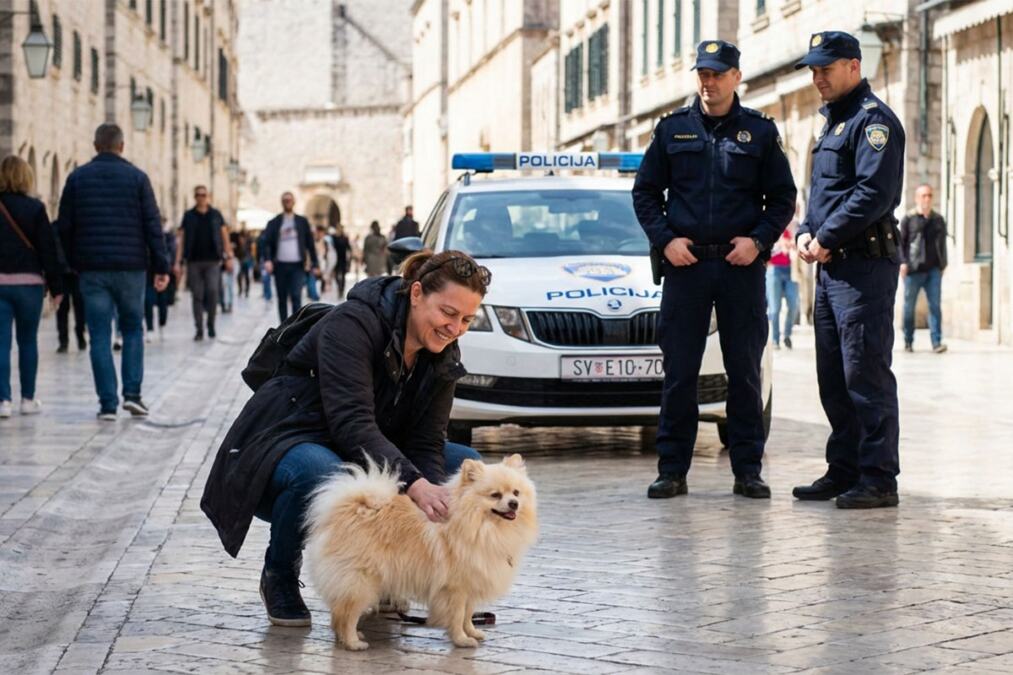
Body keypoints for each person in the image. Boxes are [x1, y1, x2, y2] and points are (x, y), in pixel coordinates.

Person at [200, 250, 491, 627]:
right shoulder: (353, 323)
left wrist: (434, 494)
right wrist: (415, 484)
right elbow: (351, 423)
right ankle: (280, 572)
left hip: (365, 446)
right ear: (416, 293)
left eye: (467, 319)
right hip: (289, 441)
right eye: (448, 313)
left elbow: (428, 440)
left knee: (464, 467)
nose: (455, 328)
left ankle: (396, 574)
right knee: (327, 474)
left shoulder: (444, 350)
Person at [633, 40, 797, 501]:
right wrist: (666, 240)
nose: (709, 82)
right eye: (703, 73)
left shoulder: (760, 132)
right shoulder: (671, 130)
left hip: (738, 266)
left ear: (735, 77)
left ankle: (748, 470)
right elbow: (645, 194)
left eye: (718, 74)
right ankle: (672, 470)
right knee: (680, 373)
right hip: (685, 268)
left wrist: (759, 240)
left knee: (743, 371)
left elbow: (783, 198)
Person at [791, 32, 906, 509]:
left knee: (866, 374)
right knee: (833, 377)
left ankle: (878, 478)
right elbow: (823, 195)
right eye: (814, 70)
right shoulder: (832, 124)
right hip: (832, 271)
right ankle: (844, 469)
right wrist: (804, 229)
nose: (818, 77)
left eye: (827, 69)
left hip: (863, 269)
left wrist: (825, 236)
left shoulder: (873, 122)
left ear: (853, 67)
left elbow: (872, 193)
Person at [57, 124, 170, 420]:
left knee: (98, 335)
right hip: (131, 268)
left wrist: (69, 266)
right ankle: (132, 395)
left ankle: (107, 404)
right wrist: (161, 266)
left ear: (95, 145)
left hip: (92, 269)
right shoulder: (138, 179)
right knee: (132, 329)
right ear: (122, 146)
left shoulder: (77, 178)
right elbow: (152, 226)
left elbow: (64, 227)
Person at [0, 155, 64, 418]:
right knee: (28, 341)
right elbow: (48, 249)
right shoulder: (36, 208)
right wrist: (57, 287)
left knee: (1, 343)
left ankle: (3, 401)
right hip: (30, 285)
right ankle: (27, 399)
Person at [174, 186, 233, 341]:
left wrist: (229, 257)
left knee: (213, 292)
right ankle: (199, 329)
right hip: (193, 261)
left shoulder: (216, 215)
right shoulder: (188, 216)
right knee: (197, 295)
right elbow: (181, 240)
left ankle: (211, 324)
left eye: (204, 195)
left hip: (213, 261)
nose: (201, 197)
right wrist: (177, 262)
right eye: (198, 195)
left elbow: (224, 236)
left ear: (208, 196)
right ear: (195, 197)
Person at [900, 184, 948, 353]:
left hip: (933, 270)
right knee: (908, 307)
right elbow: (902, 244)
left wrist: (943, 264)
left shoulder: (938, 219)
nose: (927, 199)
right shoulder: (909, 219)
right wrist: (903, 263)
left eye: (929, 195)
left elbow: (942, 244)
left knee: (935, 306)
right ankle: (908, 341)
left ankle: (936, 342)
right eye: (923, 195)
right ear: (917, 198)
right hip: (913, 270)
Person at [260, 192, 319, 322]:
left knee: (296, 296)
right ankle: (283, 328)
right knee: (282, 297)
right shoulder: (274, 222)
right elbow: (265, 243)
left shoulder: (302, 222)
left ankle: (295, 327)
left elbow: (310, 243)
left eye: (289, 200)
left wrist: (315, 263)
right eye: (285, 200)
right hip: (280, 265)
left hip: (297, 265)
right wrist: (268, 260)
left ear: (294, 202)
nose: (287, 202)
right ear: (282, 202)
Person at [767, 222, 800, 350]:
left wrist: (794, 244)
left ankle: (787, 335)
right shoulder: (773, 223)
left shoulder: (796, 226)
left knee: (793, 305)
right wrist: (780, 245)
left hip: (792, 270)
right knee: (774, 309)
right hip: (774, 270)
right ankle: (775, 339)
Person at [145, 219, 177, 339]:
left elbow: (171, 253)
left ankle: (162, 323)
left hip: (162, 270)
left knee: (163, 301)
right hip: (148, 272)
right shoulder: (146, 236)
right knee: (148, 301)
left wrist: (166, 268)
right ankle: (149, 328)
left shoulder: (168, 238)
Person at [331, 225, 353, 298]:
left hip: (343, 258)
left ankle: (342, 290)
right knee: (336, 275)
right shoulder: (333, 237)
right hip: (335, 258)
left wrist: (350, 256)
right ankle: (339, 287)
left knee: (343, 275)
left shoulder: (345, 238)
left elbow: (349, 247)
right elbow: (331, 246)